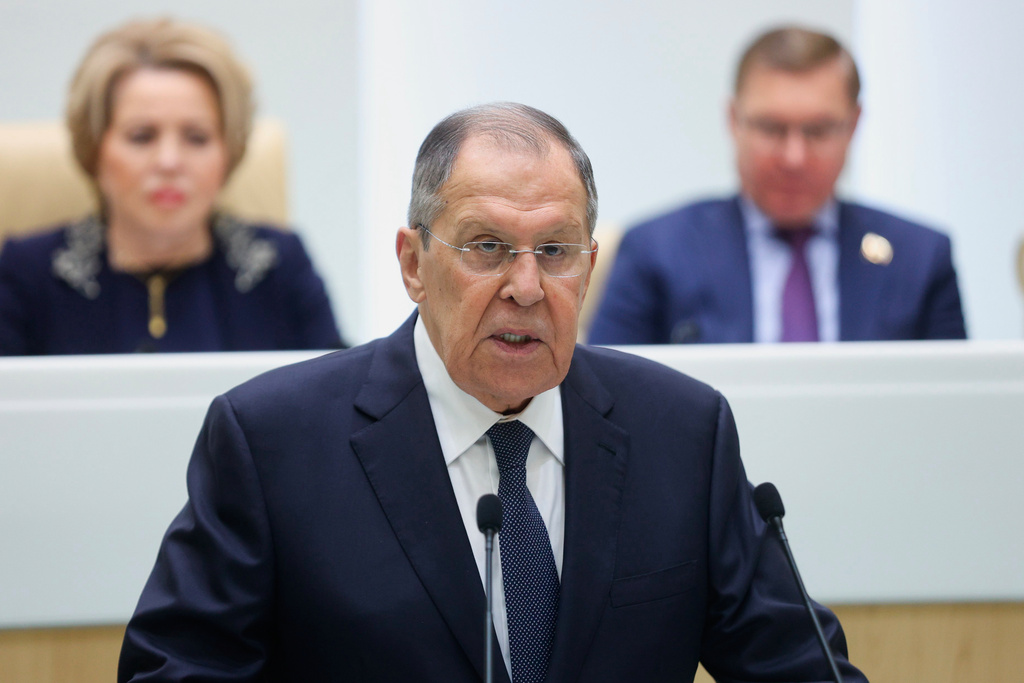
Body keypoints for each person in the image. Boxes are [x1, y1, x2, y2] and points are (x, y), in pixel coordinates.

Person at [118, 103, 867, 682]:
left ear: (590, 261)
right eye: (486, 248)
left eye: (556, 250)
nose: (526, 286)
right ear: (413, 263)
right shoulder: (270, 443)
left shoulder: (682, 432)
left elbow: (800, 666)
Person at [588, 26, 967, 345]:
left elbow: (954, 409)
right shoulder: (656, 251)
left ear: (854, 125)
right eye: (771, 128)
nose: (794, 157)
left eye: (818, 130)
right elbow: (607, 402)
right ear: (734, 121)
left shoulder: (920, 257)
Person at [0, 18, 343, 354]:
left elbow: (340, 400)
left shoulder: (278, 265)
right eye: (141, 136)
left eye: (196, 138)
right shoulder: (26, 273)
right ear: (94, 150)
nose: (169, 161)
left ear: (229, 153)